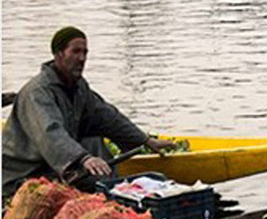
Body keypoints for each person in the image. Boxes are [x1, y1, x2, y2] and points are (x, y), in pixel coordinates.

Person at [2, 27, 175, 197]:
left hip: (50, 168)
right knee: (90, 163)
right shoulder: (37, 93)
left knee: (94, 142)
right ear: (58, 54)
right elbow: (51, 134)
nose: (82, 58)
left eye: (85, 53)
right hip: (22, 175)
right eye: (75, 52)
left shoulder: (79, 88)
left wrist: (145, 140)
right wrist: (84, 159)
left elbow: (107, 117)